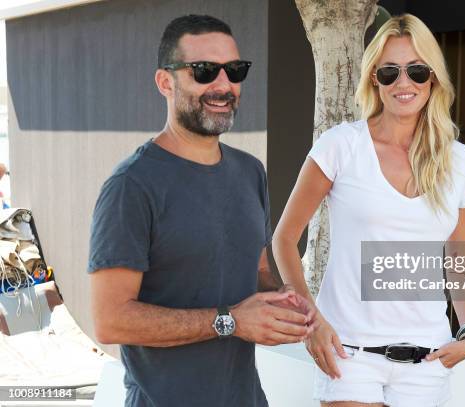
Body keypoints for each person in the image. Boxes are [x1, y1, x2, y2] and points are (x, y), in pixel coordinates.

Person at [88, 14, 314, 407]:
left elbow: (257, 270)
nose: (223, 85)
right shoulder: (132, 185)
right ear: (165, 82)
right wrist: (231, 321)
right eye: (205, 71)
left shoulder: (250, 172)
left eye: (235, 70)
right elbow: (110, 320)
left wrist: (282, 300)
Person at [272, 14, 465, 407]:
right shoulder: (341, 146)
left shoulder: (457, 160)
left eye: (417, 71)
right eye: (390, 72)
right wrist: (311, 322)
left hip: (428, 357)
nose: (405, 83)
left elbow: (458, 258)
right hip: (349, 354)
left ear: (433, 78)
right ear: (374, 79)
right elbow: (284, 239)